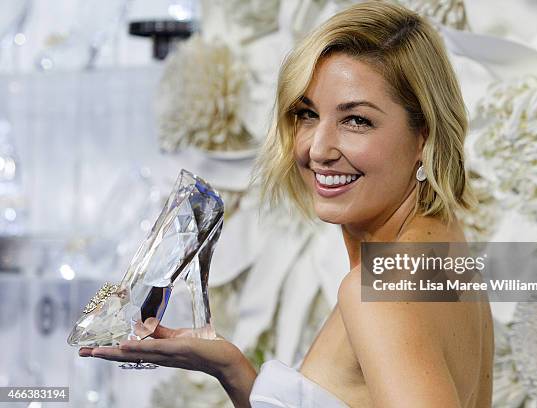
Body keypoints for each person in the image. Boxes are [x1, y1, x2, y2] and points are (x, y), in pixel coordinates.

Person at [79, 1, 493, 407]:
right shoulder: (442, 250)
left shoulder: (379, 291)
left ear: (424, 135)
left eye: (356, 120)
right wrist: (232, 369)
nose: (319, 148)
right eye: (307, 114)